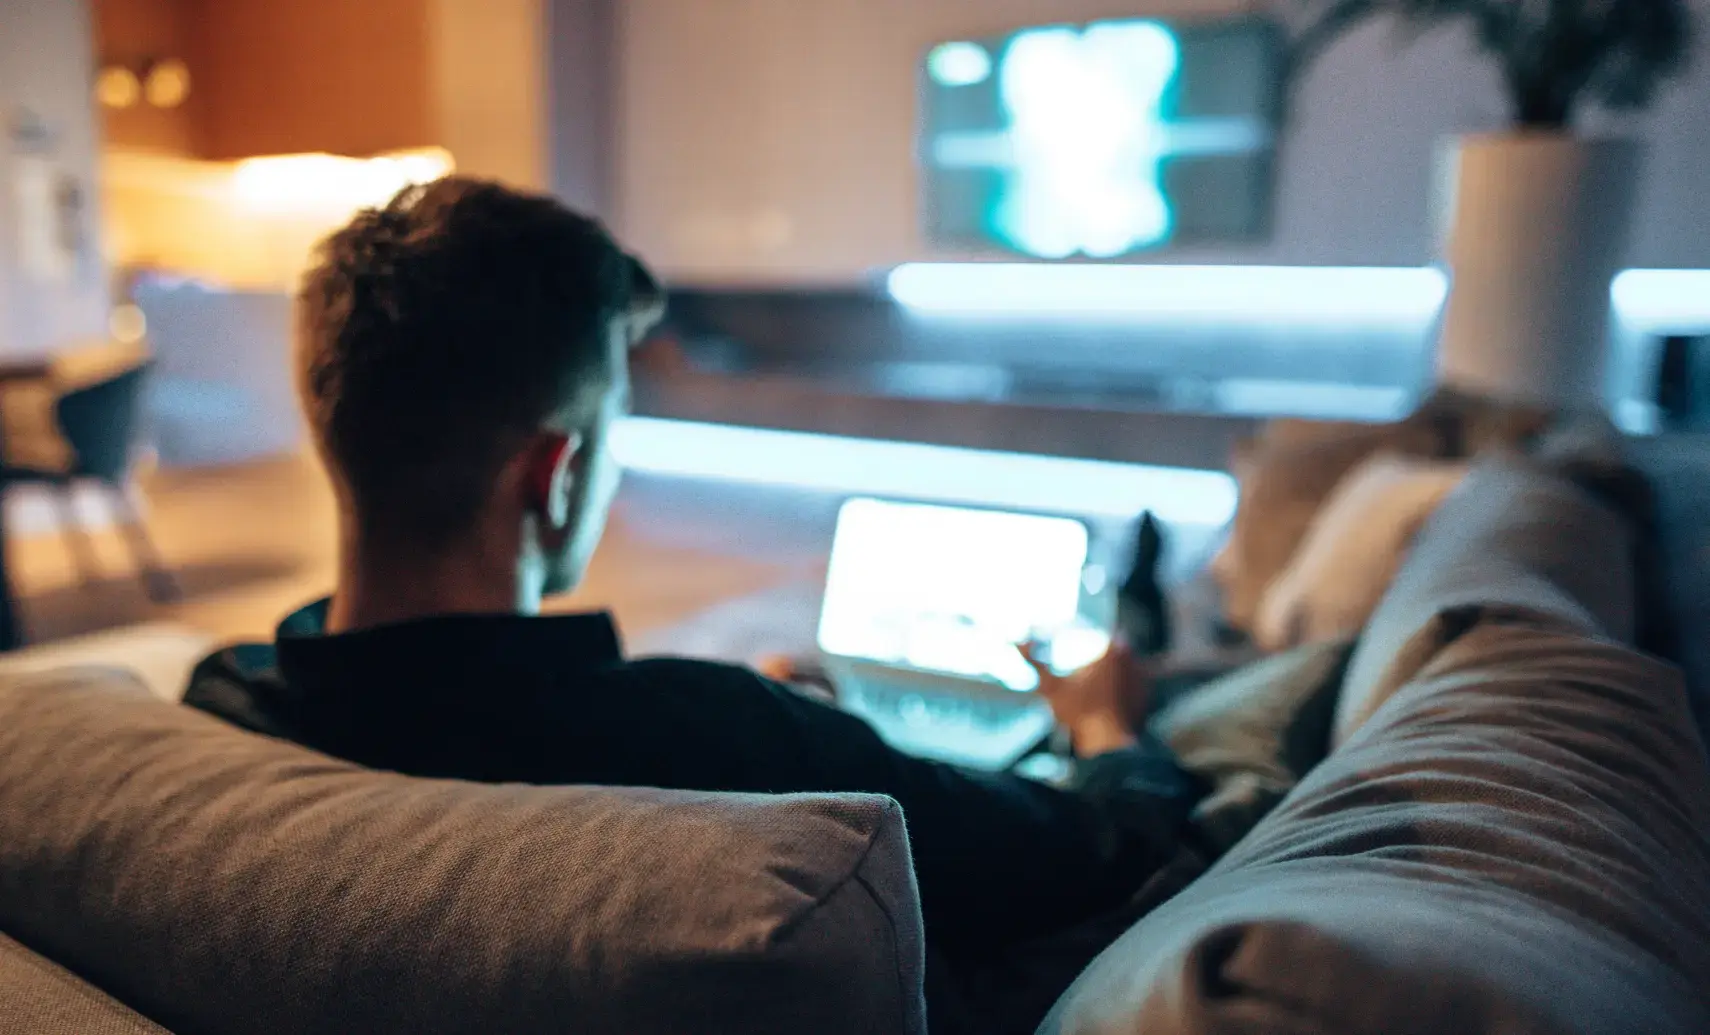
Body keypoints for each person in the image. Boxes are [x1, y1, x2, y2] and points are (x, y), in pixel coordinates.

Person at [183, 177, 1199, 980]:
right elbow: (1101, 858)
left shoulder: (223, 702)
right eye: (610, 431)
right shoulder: (723, 740)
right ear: (557, 473)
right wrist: (1106, 728)